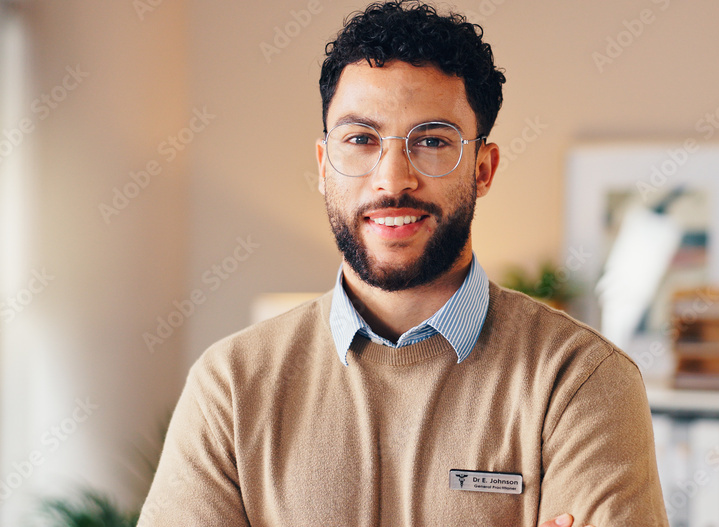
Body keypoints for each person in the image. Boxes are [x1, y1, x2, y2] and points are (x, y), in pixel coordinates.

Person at [139, 2, 669, 525]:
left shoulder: (578, 380)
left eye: (433, 141)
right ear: (324, 166)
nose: (393, 180)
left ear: (483, 169)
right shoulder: (230, 387)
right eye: (361, 140)